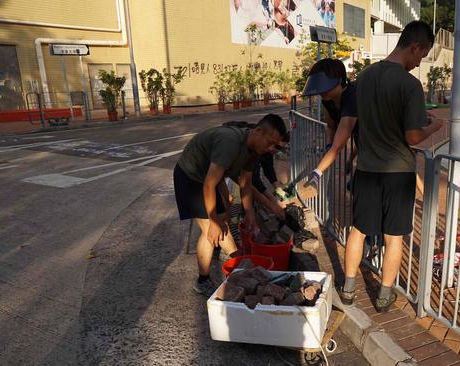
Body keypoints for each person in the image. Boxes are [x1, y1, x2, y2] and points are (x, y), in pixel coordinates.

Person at [338, 20, 444, 312]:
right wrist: (435, 125)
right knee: (393, 236)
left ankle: (347, 288)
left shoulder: (364, 78)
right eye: (421, 56)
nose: (418, 63)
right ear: (415, 46)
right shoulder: (409, 85)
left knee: (358, 230)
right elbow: (412, 135)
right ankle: (384, 295)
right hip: (398, 172)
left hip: (366, 170)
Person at [173, 114, 288, 294]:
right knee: (212, 230)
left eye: (276, 146)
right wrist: (212, 221)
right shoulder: (230, 142)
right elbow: (209, 184)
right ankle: (206, 279)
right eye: (270, 143)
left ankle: (240, 264)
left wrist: (249, 211)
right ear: (257, 131)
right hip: (191, 176)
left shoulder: (253, 151)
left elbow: (245, 183)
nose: (271, 149)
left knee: (221, 224)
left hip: (209, 177)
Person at [301, 58, 358, 191]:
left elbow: (338, 145)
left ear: (338, 80)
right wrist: (328, 143)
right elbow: (331, 126)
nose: (321, 92)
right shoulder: (328, 99)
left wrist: (317, 173)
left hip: (378, 144)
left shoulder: (352, 97)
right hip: (361, 138)